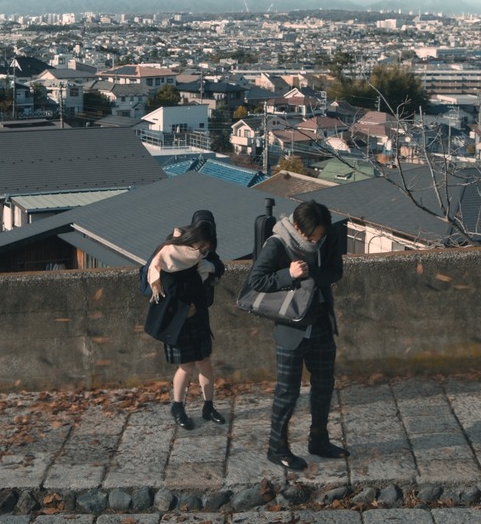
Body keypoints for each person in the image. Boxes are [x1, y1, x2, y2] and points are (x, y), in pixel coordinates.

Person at [245, 200, 348, 469]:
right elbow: (255, 282)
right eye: (313, 235)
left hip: (321, 321)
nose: (317, 240)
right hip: (291, 325)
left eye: (321, 235)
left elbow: (335, 272)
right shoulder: (277, 243)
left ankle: (319, 440)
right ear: (298, 228)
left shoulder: (329, 237)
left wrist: (311, 273)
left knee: (324, 384)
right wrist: (287, 274)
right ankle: (277, 447)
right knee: (287, 392)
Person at [145, 211, 226, 430]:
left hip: (197, 315)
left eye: (207, 245)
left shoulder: (204, 252)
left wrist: (212, 268)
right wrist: (197, 278)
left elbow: (219, 265)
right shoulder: (171, 251)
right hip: (177, 320)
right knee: (186, 366)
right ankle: (178, 407)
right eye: (201, 244)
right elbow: (171, 288)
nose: (204, 248)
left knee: (205, 361)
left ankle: (208, 406)